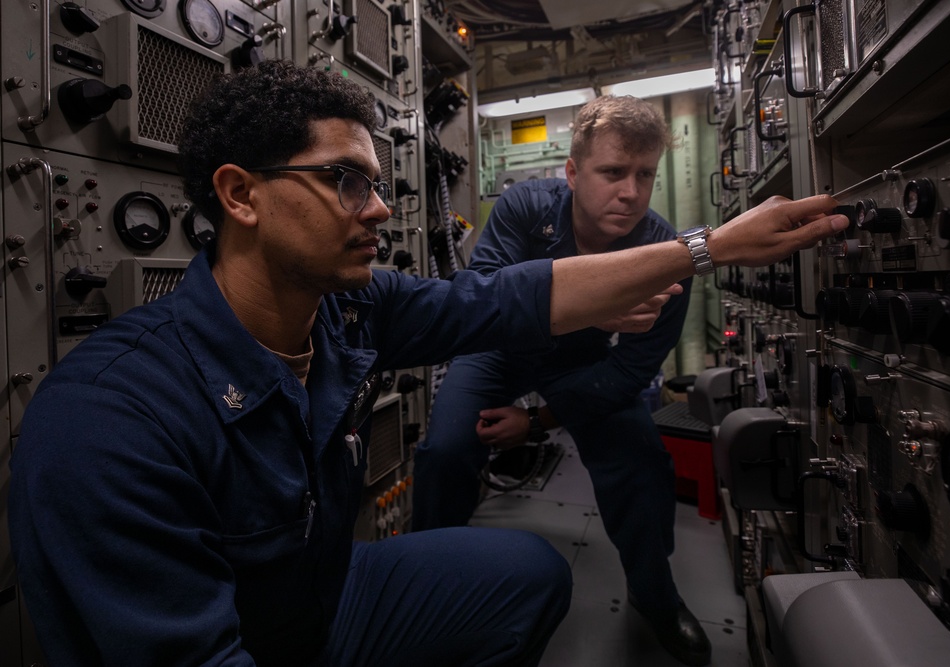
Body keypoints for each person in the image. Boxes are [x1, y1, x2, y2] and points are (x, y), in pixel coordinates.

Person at [7, 60, 847, 667]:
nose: (378, 207)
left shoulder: (349, 308)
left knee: (530, 572)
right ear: (240, 195)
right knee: (447, 448)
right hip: (249, 630)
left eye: (376, 183)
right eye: (343, 180)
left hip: (317, 595)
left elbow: (495, 303)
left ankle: (658, 601)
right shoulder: (109, 420)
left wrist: (707, 247)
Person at [411, 94, 714, 665]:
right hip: (500, 348)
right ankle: (427, 579)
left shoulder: (662, 249)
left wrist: (537, 420)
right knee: (446, 450)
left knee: (642, 462)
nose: (630, 191)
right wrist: (582, 307)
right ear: (572, 173)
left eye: (644, 174)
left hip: (582, 361)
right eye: (612, 172)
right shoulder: (526, 206)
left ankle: (654, 593)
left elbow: (632, 369)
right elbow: (479, 298)